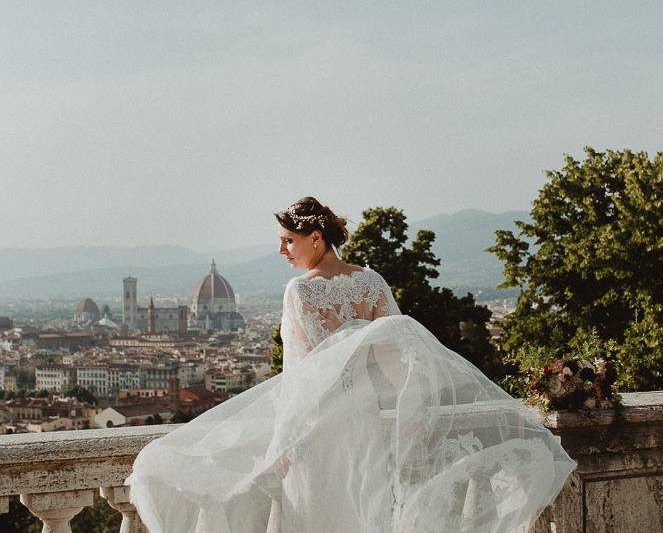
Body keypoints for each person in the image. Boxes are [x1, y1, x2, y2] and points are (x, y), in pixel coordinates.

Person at [125, 197, 576, 533]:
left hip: (316, 434)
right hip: (366, 428)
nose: (283, 251)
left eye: (288, 241)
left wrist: (282, 443)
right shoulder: (371, 281)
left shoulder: (299, 292)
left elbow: (302, 377)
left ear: (315, 238)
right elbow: (399, 354)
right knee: (367, 518)